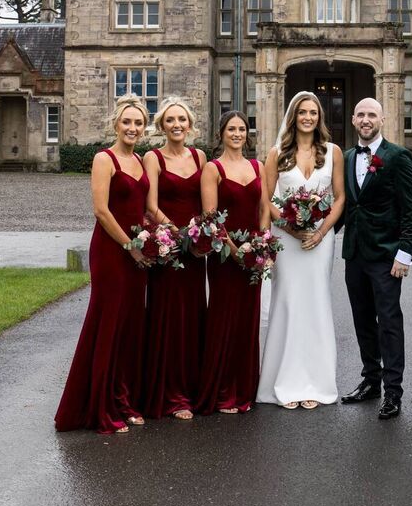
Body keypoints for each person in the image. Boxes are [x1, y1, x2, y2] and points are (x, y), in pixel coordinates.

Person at [55, 95, 152, 434]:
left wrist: (157, 236)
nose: (132, 128)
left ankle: (124, 400)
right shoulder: (104, 159)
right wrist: (129, 246)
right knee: (108, 324)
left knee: (130, 327)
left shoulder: (139, 160)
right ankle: (102, 407)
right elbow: (101, 210)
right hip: (112, 252)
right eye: (127, 122)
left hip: (137, 252)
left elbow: (143, 209)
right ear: (116, 124)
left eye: (138, 123)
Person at [256, 92, 346, 409]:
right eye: (302, 112)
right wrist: (291, 228)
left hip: (320, 241)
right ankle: (285, 383)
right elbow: (267, 199)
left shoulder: (333, 152)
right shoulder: (277, 154)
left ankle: (316, 383)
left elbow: (339, 198)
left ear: (319, 118)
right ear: (293, 116)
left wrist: (321, 232)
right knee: (289, 304)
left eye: (313, 112)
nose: (308, 117)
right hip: (287, 240)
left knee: (316, 305)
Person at [338, 97, 412, 420]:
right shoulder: (346, 157)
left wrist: (405, 253)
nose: (366, 120)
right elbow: (347, 206)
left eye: (372, 114)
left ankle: (393, 391)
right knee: (362, 320)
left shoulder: (397, 157)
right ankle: (370, 380)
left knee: (388, 323)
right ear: (353, 120)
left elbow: (411, 209)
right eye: (361, 114)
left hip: (387, 255)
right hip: (355, 253)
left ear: (382, 120)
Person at [197, 111, 266, 415]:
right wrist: (236, 251)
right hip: (225, 257)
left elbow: (264, 209)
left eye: (241, 129)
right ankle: (222, 391)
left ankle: (245, 389)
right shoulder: (213, 169)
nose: (237, 134)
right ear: (221, 134)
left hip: (254, 256)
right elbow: (210, 217)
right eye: (231, 129)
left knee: (248, 321)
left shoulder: (258, 166)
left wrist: (262, 245)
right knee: (224, 318)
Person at [142, 98, 206, 420]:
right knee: (168, 317)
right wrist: (178, 233)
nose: (177, 124)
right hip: (168, 248)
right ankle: (170, 395)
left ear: (190, 125)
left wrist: (200, 236)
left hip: (194, 251)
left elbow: (207, 204)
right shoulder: (152, 158)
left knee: (193, 316)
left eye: (182, 119)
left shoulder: (200, 157)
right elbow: (150, 206)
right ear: (162, 126)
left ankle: (193, 390)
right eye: (170, 120)